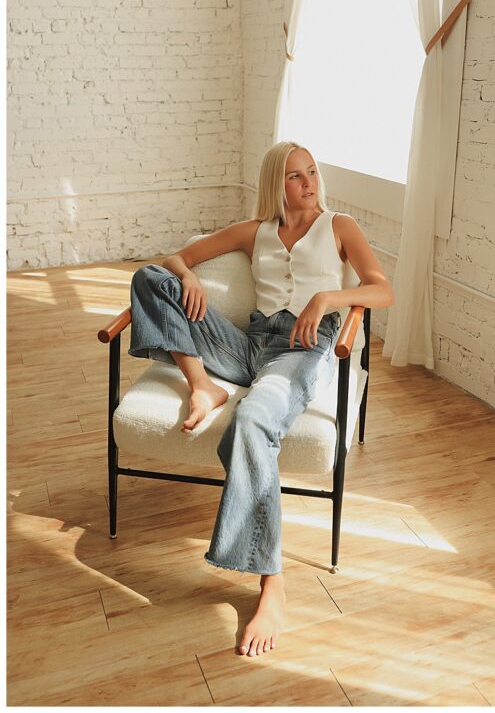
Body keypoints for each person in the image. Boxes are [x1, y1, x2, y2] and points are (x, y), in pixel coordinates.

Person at [127, 140, 394, 657]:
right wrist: (186, 278)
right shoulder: (256, 233)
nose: (308, 182)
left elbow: (382, 289)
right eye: (295, 176)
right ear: (277, 184)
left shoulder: (340, 227)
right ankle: (201, 384)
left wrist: (330, 298)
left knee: (252, 422)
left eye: (312, 172)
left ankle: (272, 583)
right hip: (247, 344)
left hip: (300, 350)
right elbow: (174, 259)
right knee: (148, 279)